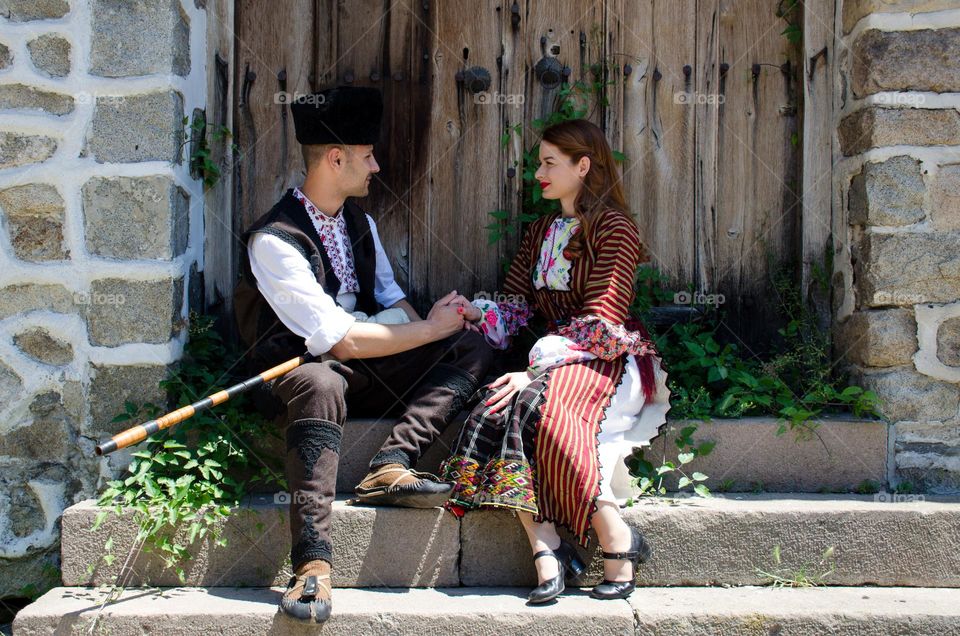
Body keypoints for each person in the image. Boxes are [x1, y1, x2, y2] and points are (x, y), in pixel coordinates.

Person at [232, 86, 493, 624]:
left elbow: (393, 304)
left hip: (363, 365)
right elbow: (338, 340)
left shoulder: (360, 224)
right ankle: (312, 565)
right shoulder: (274, 240)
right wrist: (420, 329)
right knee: (323, 382)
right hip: (299, 375)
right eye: (368, 155)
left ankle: (391, 463)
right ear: (335, 158)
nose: (376, 166)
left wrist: (437, 320)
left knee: (470, 342)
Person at [441, 119, 672, 604]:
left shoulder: (616, 229)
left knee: (535, 402)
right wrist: (478, 312)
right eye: (538, 163)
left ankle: (615, 539)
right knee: (502, 405)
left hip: (607, 358)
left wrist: (536, 368)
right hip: (554, 359)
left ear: (582, 166)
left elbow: (601, 321)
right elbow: (518, 304)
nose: (538, 173)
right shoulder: (542, 230)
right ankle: (546, 547)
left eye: (549, 163)